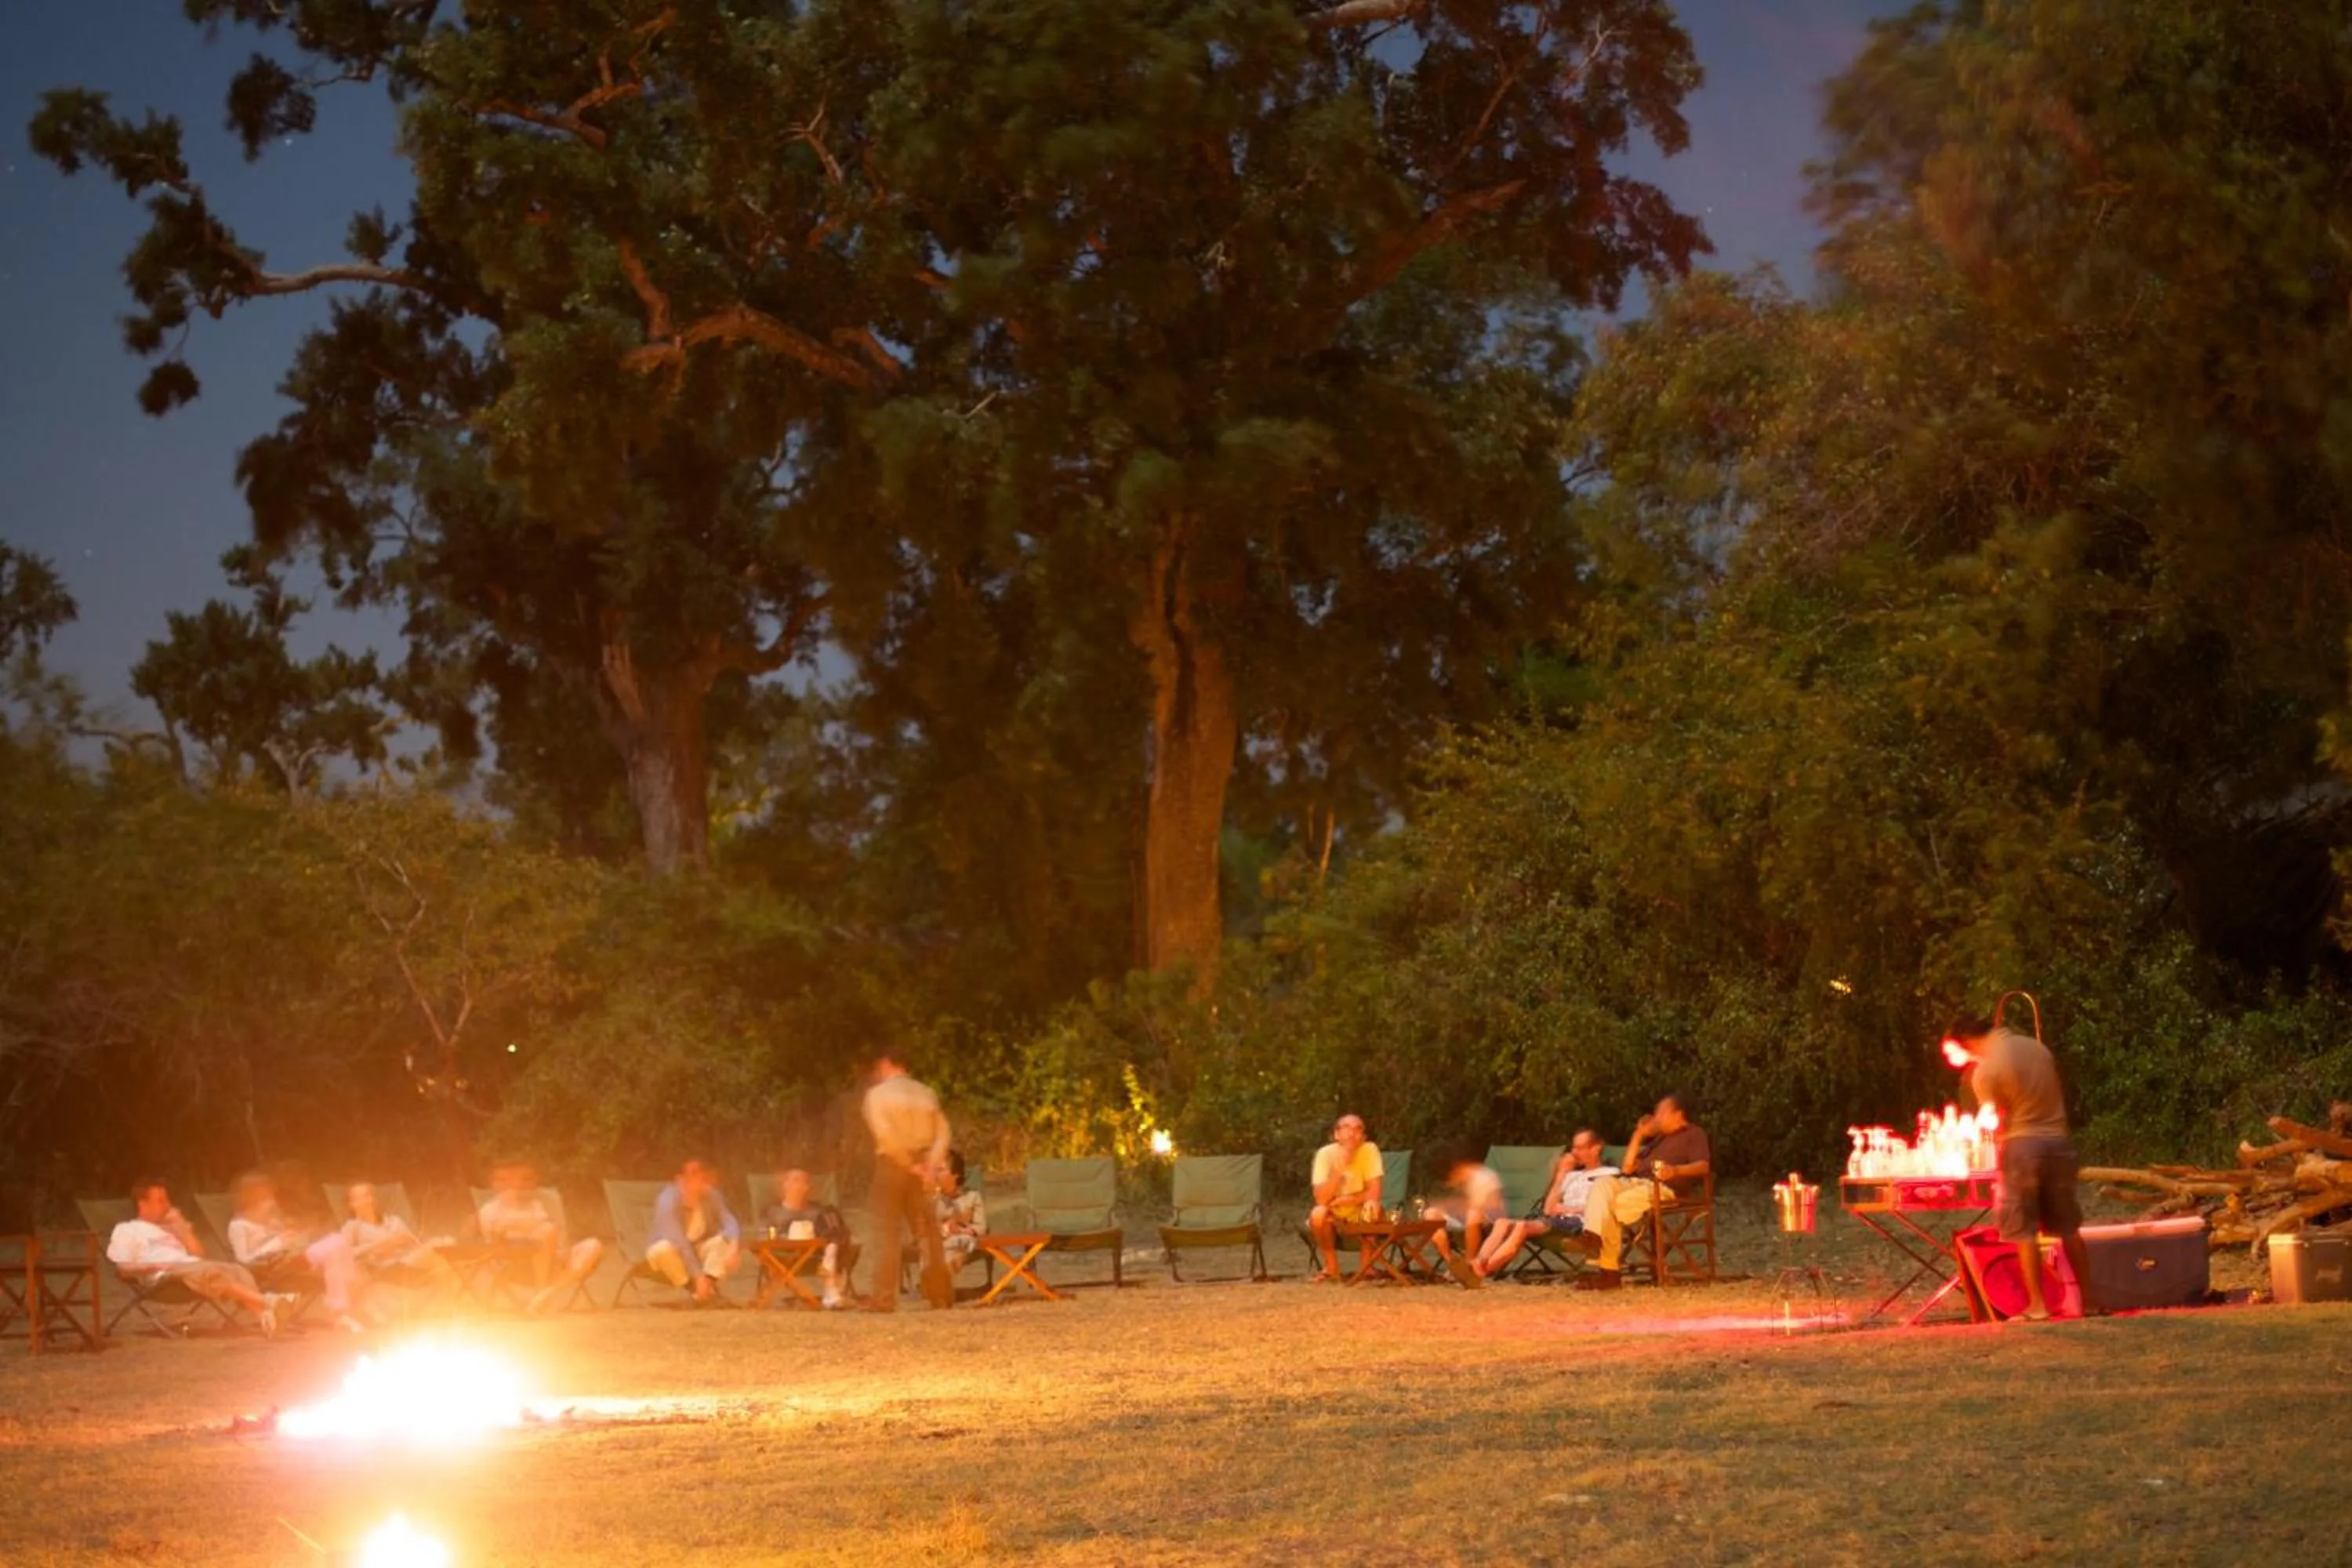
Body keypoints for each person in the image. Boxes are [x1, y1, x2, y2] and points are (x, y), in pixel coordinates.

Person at [1947, 1014, 2103, 1320]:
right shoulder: (2037, 1048)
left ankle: (2037, 1305)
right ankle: (2091, 1301)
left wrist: (1974, 1132)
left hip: (2023, 1147)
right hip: (2059, 1142)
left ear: (1967, 1042)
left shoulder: (1987, 1069)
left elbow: (1994, 1119)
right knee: (2068, 1227)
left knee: (2023, 1227)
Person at [106, 1179, 289, 1336]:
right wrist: (157, 1265)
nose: (167, 1205)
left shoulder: (168, 1228)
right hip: (164, 1276)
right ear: (142, 1204)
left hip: (191, 1271)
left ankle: (266, 1316)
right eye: (161, 1201)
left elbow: (198, 1256)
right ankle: (268, 1302)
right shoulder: (126, 1229)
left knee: (236, 1269)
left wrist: (182, 1229)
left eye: (167, 1199)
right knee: (208, 1271)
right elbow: (122, 1269)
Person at [1578, 1095, 1712, 1291]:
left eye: (1661, 1114)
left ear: (1678, 1115)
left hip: (1664, 1188)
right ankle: (1592, 1237)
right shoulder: (1659, 1140)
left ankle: (1609, 1272)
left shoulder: (1694, 1134)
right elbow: (1628, 1166)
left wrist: (1675, 1170)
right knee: (1601, 1185)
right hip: (1636, 1183)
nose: (1656, 1118)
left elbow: (1704, 1166)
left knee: (1615, 1205)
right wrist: (1639, 1134)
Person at [860, 1051, 953, 1312]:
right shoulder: (926, 1093)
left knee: (886, 1232)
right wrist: (930, 1165)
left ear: (886, 1063)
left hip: (894, 1165)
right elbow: (944, 1133)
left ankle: (883, 1298)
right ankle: (940, 1296)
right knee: (928, 1233)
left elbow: (886, 1136)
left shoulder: (877, 1095)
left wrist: (909, 1165)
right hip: (924, 1160)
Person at [227, 1171, 371, 1334]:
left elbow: (290, 1238)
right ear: (252, 1197)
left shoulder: (269, 1219)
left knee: (338, 1244)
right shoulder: (238, 1225)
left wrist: (297, 1234)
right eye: (265, 1194)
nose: (271, 1199)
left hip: (293, 1259)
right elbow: (244, 1260)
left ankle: (342, 1312)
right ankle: (344, 1309)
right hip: (275, 1269)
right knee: (337, 1243)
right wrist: (278, 1241)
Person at [1475, 1128, 1610, 1278]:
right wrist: (1561, 1173)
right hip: (1559, 1221)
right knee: (1501, 1223)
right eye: (1573, 1148)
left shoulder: (1609, 1174)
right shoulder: (1571, 1175)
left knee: (1522, 1226)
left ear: (1597, 1148)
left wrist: (1565, 1209)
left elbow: (1602, 1207)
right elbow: (1548, 1209)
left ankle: (1483, 1271)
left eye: (1580, 1148)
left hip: (1580, 1224)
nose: (1574, 1152)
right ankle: (1478, 1263)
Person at [476, 1161, 604, 1315]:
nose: (517, 1185)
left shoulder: (535, 1204)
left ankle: (542, 1296)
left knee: (594, 1245)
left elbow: (556, 1231)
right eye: (506, 1181)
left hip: (553, 1260)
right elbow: (495, 1242)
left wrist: (562, 1249)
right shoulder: (490, 1209)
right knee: (546, 1230)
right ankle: (542, 1291)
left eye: (525, 1180)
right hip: (517, 1265)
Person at [339, 1182, 460, 1313]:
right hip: (391, 1268)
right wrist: (382, 1244)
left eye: (369, 1195)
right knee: (440, 1246)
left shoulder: (394, 1221)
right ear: (352, 1204)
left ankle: (452, 1306)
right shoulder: (352, 1227)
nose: (368, 1200)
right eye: (361, 1197)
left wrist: (409, 1241)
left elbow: (415, 1243)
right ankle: (454, 1306)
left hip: (411, 1260)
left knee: (448, 1244)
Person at [644, 1158, 744, 1305]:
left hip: (697, 1249)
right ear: (680, 1179)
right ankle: (696, 1290)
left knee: (721, 1242)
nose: (699, 1180)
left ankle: (704, 1291)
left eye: (701, 1175)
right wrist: (698, 1276)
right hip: (672, 1252)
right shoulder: (668, 1200)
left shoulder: (710, 1195)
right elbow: (680, 1242)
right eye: (693, 1175)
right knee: (663, 1249)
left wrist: (733, 1248)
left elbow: (729, 1221)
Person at [1305, 1114, 1384, 1283]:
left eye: (1358, 1129)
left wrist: (1350, 1200)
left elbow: (1375, 1192)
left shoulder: (1369, 1150)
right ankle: (1331, 1267)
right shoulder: (1325, 1154)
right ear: (1336, 1134)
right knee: (1318, 1213)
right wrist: (1340, 1168)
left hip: (1360, 1212)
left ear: (1363, 1136)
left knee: (1372, 1206)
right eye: (1346, 1128)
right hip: (1334, 1215)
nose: (1352, 1133)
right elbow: (1320, 1199)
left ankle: (1366, 1267)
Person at [760, 1167, 853, 1309]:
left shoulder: (820, 1211)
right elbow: (764, 1236)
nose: (798, 1185)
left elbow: (836, 1234)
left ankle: (831, 1289)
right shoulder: (773, 1212)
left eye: (803, 1182)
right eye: (793, 1181)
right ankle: (831, 1292)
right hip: (783, 1257)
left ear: (807, 1188)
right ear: (785, 1185)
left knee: (833, 1234)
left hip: (816, 1257)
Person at [1424, 1146, 1504, 1288]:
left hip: (1487, 1220)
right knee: (1430, 1213)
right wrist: (1447, 1206)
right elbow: (1460, 1205)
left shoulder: (1486, 1177)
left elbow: (1496, 1205)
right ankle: (1452, 1264)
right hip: (1464, 1219)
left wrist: (1474, 1208)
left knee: (1473, 1214)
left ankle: (1469, 1263)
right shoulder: (1462, 1182)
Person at [937, 1149, 989, 1275]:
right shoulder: (934, 1199)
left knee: (962, 1243)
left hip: (965, 1243)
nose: (936, 1175)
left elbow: (982, 1228)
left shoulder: (973, 1197)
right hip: (939, 1244)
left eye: (941, 1170)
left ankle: (942, 1279)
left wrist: (960, 1228)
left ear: (956, 1175)